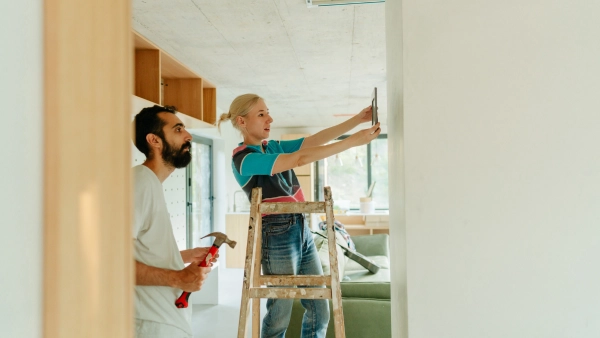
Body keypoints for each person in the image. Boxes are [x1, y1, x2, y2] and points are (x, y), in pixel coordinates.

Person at [218, 94, 380, 338]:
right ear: (241, 121)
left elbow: (313, 141)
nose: (269, 118)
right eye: (261, 114)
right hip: (277, 232)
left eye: (267, 112)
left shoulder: (270, 146)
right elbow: (300, 158)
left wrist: (357, 120)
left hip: (301, 227)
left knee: (319, 310)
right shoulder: (245, 159)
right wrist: (353, 142)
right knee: (279, 315)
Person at [132, 105, 216, 338]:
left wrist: (184, 256)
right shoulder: (139, 183)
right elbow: (112, 265)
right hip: (151, 324)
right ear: (154, 140)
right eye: (178, 129)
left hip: (164, 320)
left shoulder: (149, 183)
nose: (188, 136)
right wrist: (179, 277)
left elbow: (140, 254)